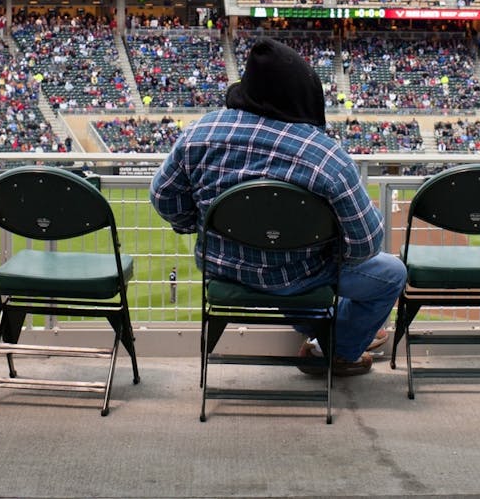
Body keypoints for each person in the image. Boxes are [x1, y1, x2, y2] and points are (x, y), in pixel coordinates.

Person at [150, 37, 405, 377]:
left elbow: (163, 197)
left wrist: (195, 224)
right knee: (392, 274)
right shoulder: (326, 156)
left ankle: (326, 333)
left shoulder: (199, 132)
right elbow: (366, 243)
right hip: (298, 273)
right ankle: (338, 350)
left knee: (296, 273)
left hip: (223, 268)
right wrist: (326, 255)